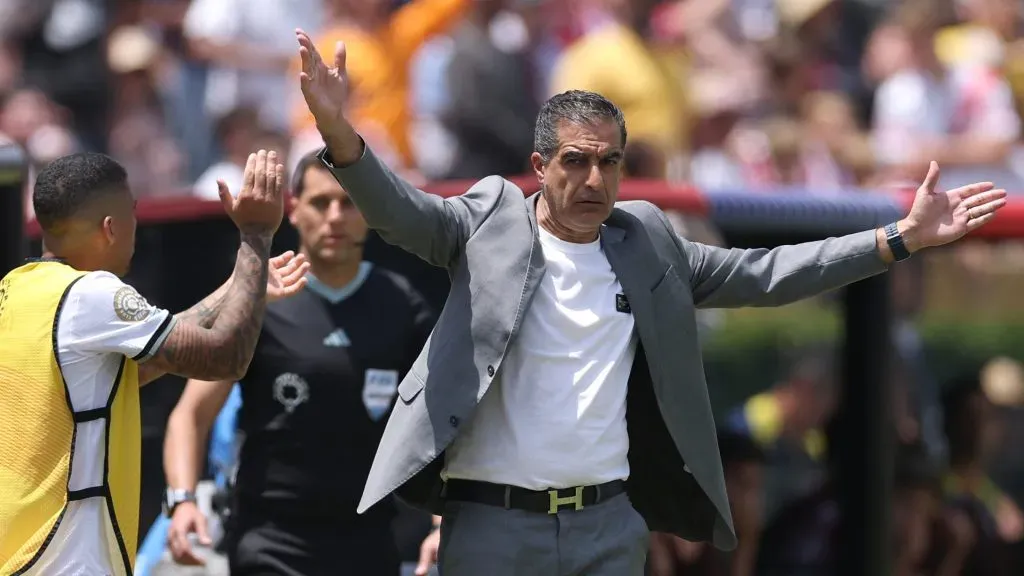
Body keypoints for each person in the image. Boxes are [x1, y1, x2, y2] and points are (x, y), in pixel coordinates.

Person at [295, 31, 1007, 575]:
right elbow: (397, 212)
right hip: (491, 522)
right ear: (539, 167)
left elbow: (767, 272)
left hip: (608, 526)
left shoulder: (650, 243)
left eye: (610, 161)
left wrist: (898, 238)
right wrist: (336, 128)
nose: (595, 177)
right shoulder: (485, 219)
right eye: (576, 160)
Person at [0, 148, 308, 575]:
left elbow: (140, 364)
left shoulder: (16, 291)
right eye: (132, 213)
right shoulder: (93, 294)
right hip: (68, 562)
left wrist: (244, 286)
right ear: (110, 228)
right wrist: (255, 237)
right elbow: (225, 358)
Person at [162, 151, 436, 576]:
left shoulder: (401, 303)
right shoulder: (260, 297)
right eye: (320, 202)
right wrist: (181, 502)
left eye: (348, 203)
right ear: (293, 210)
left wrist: (442, 519)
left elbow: (437, 422)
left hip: (368, 541)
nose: (335, 217)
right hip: (270, 539)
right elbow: (190, 415)